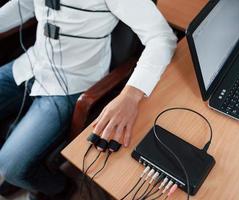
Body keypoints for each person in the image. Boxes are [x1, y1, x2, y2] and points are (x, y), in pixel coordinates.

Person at [0, 0, 177, 199]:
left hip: (71, 84)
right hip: (29, 65)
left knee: (11, 167)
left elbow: (161, 38)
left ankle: (59, 188)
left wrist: (131, 95)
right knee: (15, 167)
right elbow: (24, 5)